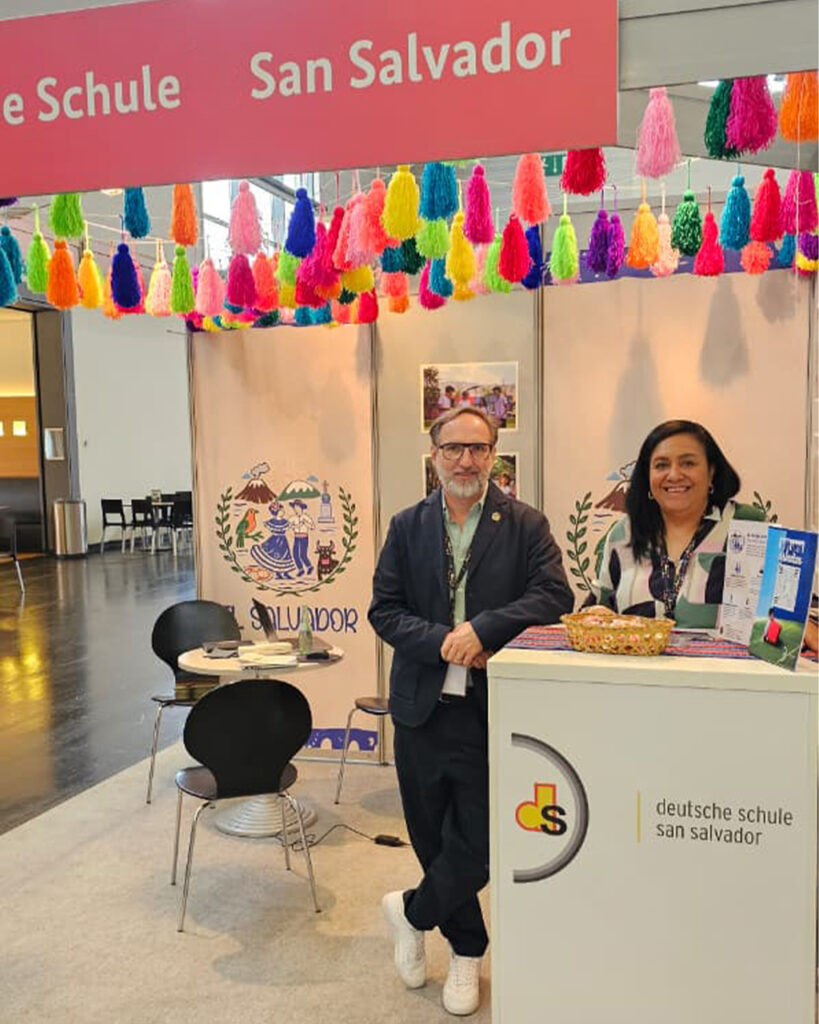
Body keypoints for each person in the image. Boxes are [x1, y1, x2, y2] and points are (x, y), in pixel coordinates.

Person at [369, 406, 572, 1016]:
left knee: (484, 842)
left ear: (493, 455)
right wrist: (443, 641)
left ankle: (411, 911)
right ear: (434, 455)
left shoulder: (525, 524)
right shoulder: (407, 525)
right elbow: (384, 609)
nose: (466, 460)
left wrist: (484, 629)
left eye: (478, 449)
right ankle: (466, 951)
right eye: (453, 448)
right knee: (432, 837)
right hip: (422, 710)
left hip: (494, 710)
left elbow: (554, 595)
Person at [587, 419, 759, 628]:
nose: (675, 475)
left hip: (727, 651)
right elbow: (597, 607)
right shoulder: (624, 533)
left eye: (688, 463)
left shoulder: (746, 525)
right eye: (661, 465)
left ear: (711, 472)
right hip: (636, 650)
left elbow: (781, 611)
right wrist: (594, 616)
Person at [249, 500, 296, 579]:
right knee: (275, 556)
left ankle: (285, 573)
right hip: (274, 540)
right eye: (281, 510)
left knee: (285, 556)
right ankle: (278, 573)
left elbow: (290, 526)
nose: (283, 511)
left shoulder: (285, 521)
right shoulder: (272, 521)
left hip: (283, 541)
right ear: (277, 512)